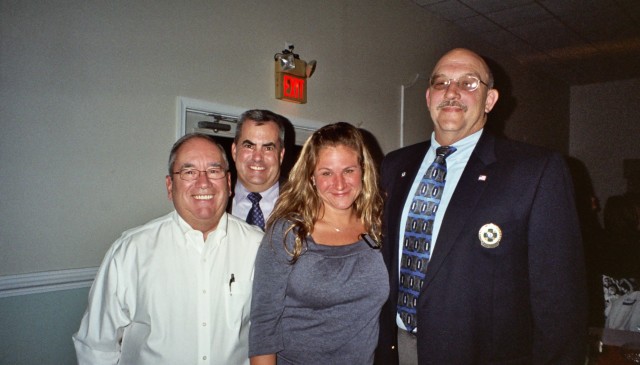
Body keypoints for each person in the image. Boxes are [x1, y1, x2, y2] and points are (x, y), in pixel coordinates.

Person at [375, 48, 587, 364]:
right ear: (428, 97)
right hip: (399, 347)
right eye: (441, 83)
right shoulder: (395, 165)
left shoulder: (536, 171)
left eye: (469, 83)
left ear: (490, 100)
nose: (451, 92)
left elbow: (559, 301)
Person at [73, 133, 264, 365]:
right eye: (189, 172)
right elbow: (96, 346)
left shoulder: (257, 246)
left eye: (214, 171)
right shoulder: (131, 251)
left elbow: (265, 333)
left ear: (228, 182)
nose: (203, 183)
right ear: (169, 186)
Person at [248, 122, 389, 365]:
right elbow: (263, 325)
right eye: (326, 173)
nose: (339, 184)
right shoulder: (288, 231)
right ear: (311, 177)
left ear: (363, 171)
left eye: (348, 170)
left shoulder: (380, 227)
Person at [230, 109, 287, 229]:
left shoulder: (305, 203)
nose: (257, 157)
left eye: (268, 148)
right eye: (249, 146)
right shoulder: (215, 199)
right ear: (234, 151)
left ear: (281, 155)